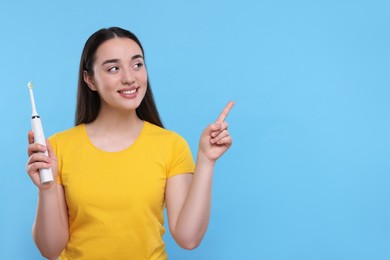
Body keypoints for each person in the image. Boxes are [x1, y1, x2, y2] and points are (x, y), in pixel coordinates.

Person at [26, 27, 234, 260]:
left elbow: (188, 238)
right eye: (113, 68)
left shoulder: (171, 145)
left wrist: (206, 161)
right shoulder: (58, 148)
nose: (129, 77)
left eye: (137, 64)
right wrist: (47, 189)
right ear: (90, 79)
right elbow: (49, 249)